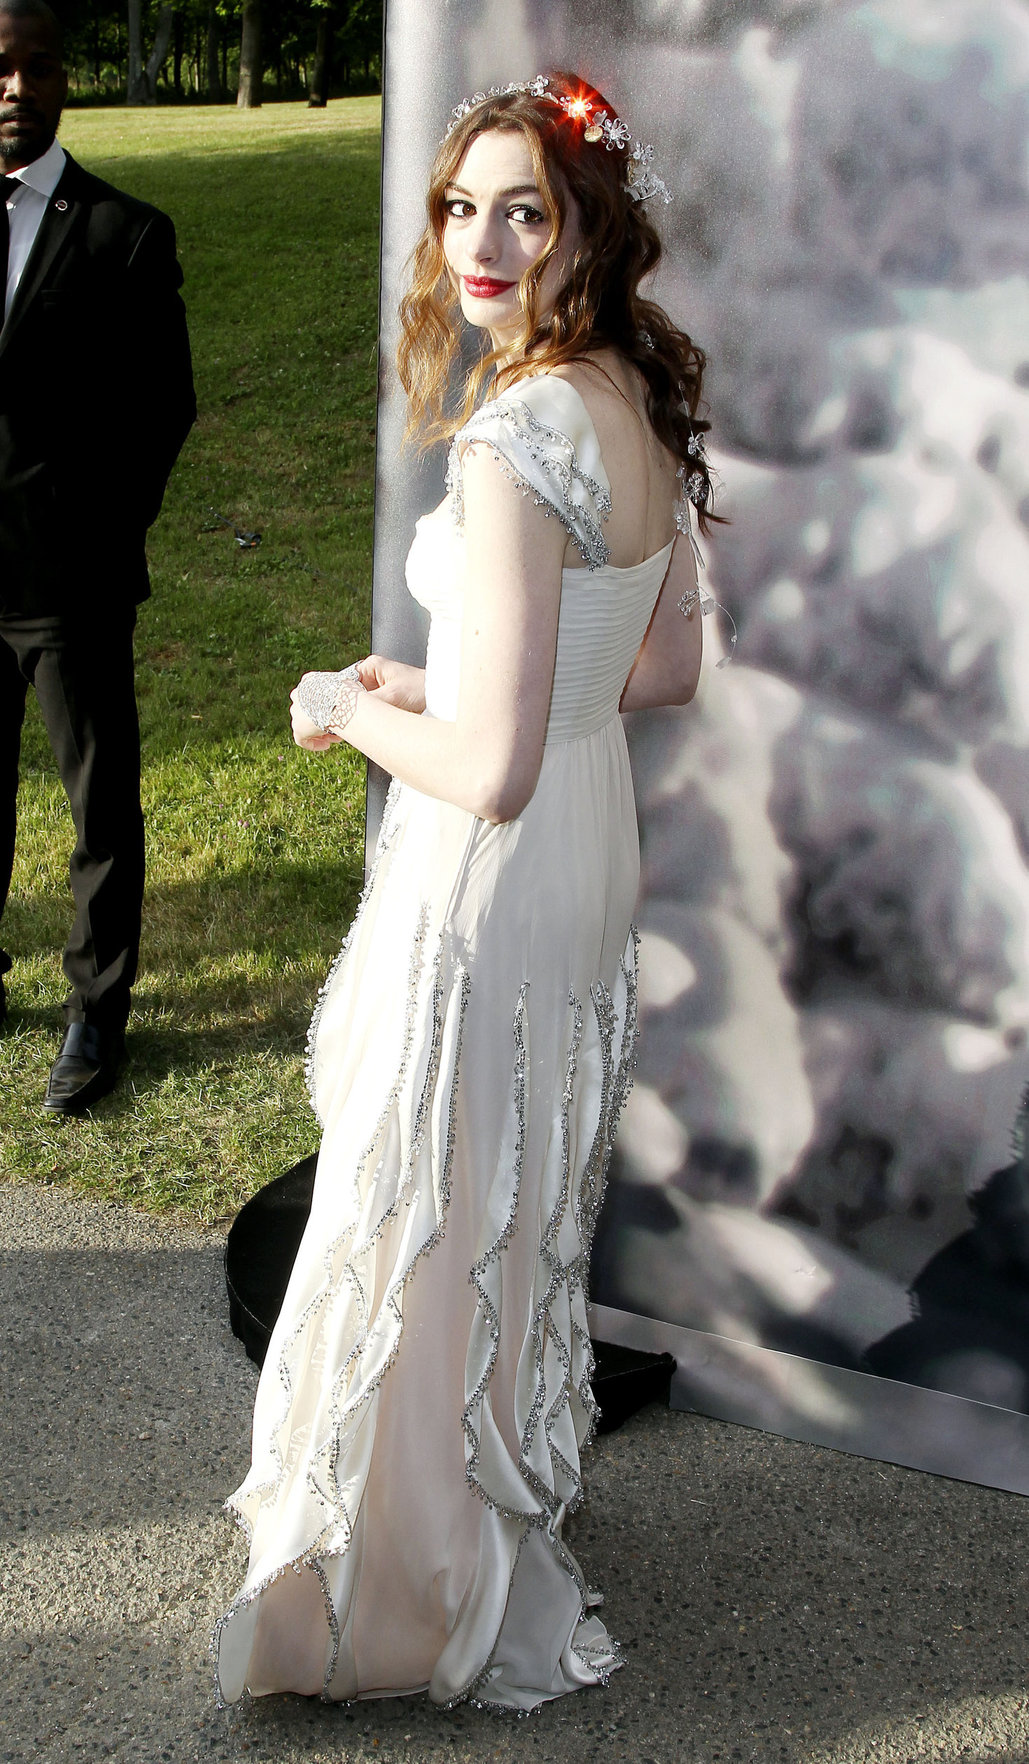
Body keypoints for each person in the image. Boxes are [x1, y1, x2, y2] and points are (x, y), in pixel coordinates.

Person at [215, 72, 719, 1712]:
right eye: (461, 205)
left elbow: (488, 771)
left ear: (584, 225)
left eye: (525, 205)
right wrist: (440, 683)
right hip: (584, 844)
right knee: (504, 1202)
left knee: (427, 1197)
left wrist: (345, 704)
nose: (484, 237)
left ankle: (390, 1596)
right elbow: (656, 667)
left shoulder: (517, 434)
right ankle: (464, 1535)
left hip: (497, 860)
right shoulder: (628, 399)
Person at [0, 0, 195, 1111]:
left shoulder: (125, 232)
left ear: (64, 80)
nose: (16, 89)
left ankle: (95, 1012)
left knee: (95, 805)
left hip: (67, 583)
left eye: (35, 68)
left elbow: (161, 407)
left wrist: (102, 532)